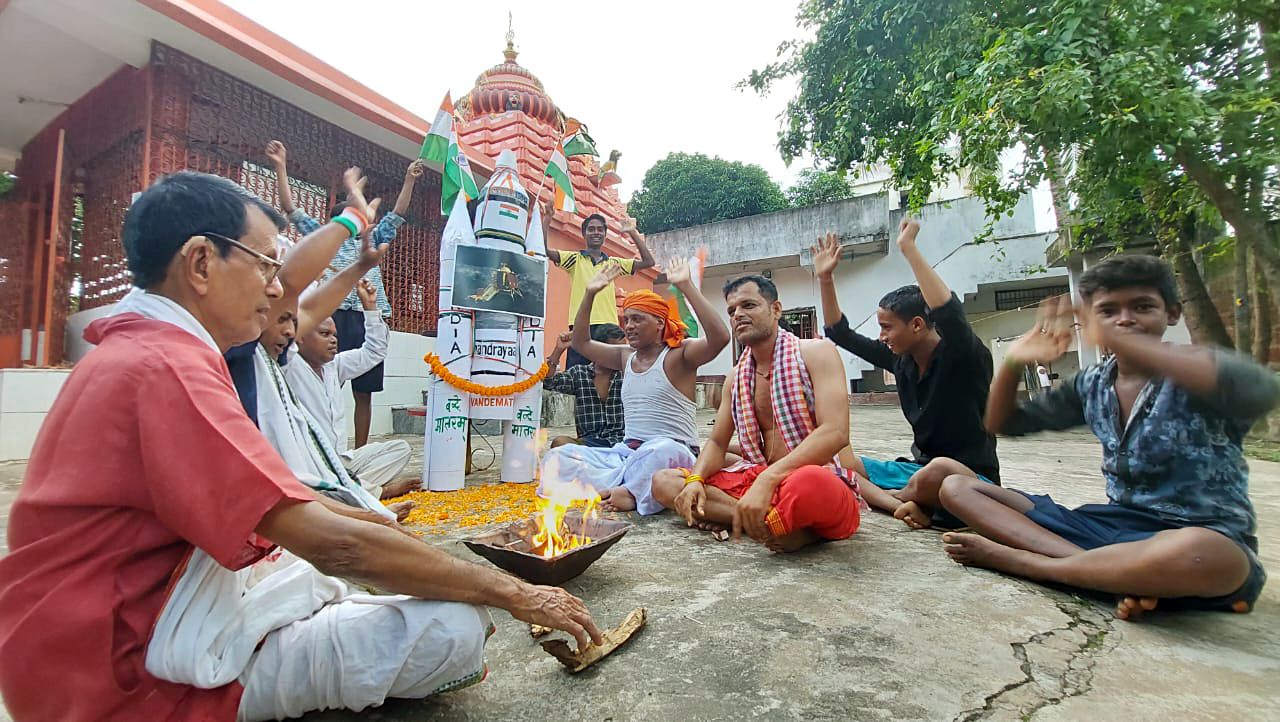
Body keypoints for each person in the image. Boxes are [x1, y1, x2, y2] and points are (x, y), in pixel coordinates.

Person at [0, 171, 600, 722]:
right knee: (454, 626)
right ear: (201, 264)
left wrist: (393, 536)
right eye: (265, 263)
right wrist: (519, 593)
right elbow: (332, 543)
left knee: (396, 571)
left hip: (99, 644)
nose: (275, 286)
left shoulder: (155, 351)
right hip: (117, 679)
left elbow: (296, 504)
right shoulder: (163, 366)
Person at [937, 255, 1277, 620]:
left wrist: (1113, 333)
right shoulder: (1093, 382)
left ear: (1173, 313)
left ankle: (1028, 563)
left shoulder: (1201, 370)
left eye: (1142, 307)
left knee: (1211, 555)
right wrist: (1014, 361)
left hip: (1197, 535)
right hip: (1111, 527)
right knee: (957, 488)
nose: (1125, 319)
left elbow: (1262, 390)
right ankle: (1107, 574)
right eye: (1109, 311)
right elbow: (1002, 422)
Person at [650, 275, 862, 552]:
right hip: (756, 478)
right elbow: (716, 442)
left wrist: (769, 478)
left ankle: (748, 518)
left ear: (776, 310)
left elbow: (835, 432)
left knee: (811, 482)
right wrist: (695, 480)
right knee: (665, 482)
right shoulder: (736, 377)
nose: (738, 314)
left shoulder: (816, 352)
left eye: (748, 305)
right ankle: (770, 523)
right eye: (732, 310)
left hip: (806, 480)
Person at [813, 219, 999, 529]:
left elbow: (949, 313)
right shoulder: (902, 361)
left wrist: (909, 249)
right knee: (839, 460)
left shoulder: (964, 355)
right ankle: (905, 503)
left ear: (916, 324)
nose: (881, 336)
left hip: (971, 480)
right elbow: (840, 333)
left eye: (887, 328)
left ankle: (899, 499)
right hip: (917, 470)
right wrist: (825, 279)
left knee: (938, 471)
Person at [538, 257, 729, 513]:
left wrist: (686, 287)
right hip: (626, 455)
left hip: (671, 454)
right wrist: (590, 293)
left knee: (659, 451)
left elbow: (720, 337)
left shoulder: (679, 355)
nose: (629, 326)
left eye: (637, 319)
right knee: (558, 457)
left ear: (660, 323)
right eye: (626, 320)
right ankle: (630, 486)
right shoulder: (624, 356)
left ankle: (629, 491)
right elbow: (581, 343)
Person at [268, 139, 423, 448]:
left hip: (367, 312)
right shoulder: (324, 236)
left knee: (363, 390)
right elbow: (290, 208)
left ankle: (360, 451)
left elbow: (397, 212)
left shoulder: (373, 237)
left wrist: (410, 179)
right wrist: (281, 166)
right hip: (333, 312)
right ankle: (318, 445)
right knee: (319, 376)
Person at [286, 279, 417, 501]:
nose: (334, 341)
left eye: (334, 335)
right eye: (324, 334)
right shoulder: (289, 366)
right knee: (314, 477)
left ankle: (348, 488)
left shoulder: (334, 367)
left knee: (400, 449)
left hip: (340, 459)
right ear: (301, 337)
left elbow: (375, 352)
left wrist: (371, 309)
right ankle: (370, 491)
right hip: (311, 461)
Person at [540, 195, 656, 367]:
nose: (596, 232)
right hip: (581, 326)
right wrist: (547, 219)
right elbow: (544, 250)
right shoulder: (574, 259)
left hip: (608, 328)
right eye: (591, 229)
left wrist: (632, 232)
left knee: (610, 374)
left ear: (604, 235)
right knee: (577, 374)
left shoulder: (614, 263)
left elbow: (648, 262)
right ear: (584, 234)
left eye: (600, 229)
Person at [543, 327, 627, 449]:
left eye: (624, 351)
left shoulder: (628, 374)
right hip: (589, 444)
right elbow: (548, 382)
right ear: (598, 349)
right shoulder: (580, 373)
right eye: (616, 351)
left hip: (622, 443)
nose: (622, 355)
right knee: (559, 443)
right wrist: (559, 350)